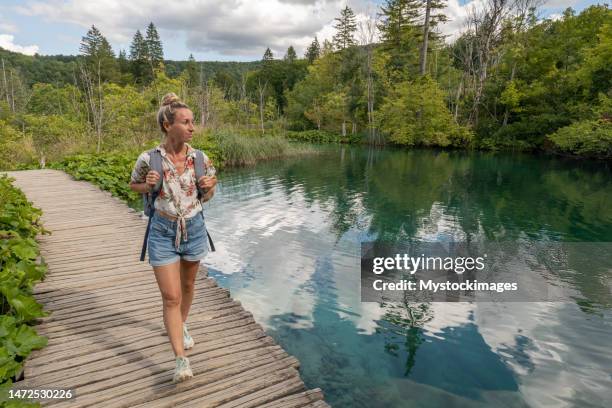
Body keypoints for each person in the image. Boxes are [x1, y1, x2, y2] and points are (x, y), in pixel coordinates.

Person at [129, 92, 217, 383]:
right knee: (171, 296)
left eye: (193, 122)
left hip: (193, 229)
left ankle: (182, 324)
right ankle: (181, 359)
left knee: (188, 286)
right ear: (168, 125)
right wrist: (147, 185)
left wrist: (209, 186)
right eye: (186, 121)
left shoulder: (200, 159)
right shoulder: (148, 158)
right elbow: (134, 186)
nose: (193, 127)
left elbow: (210, 194)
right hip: (162, 231)